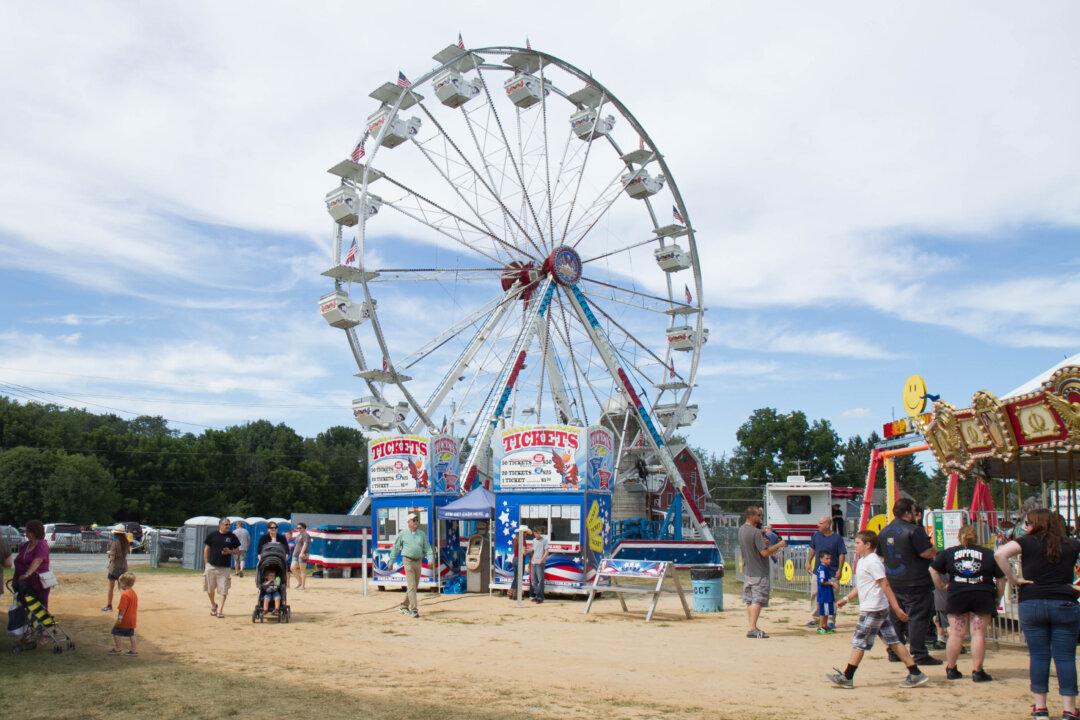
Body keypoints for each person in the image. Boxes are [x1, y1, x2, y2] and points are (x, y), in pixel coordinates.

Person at [996, 509, 1080, 720]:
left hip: (1032, 601)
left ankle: (1040, 707)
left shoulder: (1026, 541)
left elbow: (999, 554)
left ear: (1033, 523)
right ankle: (1070, 709)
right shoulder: (1071, 543)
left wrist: (1014, 579)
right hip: (1064, 600)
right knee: (1065, 657)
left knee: (1039, 656)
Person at [825, 530, 930, 689]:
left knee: (859, 642)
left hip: (873, 609)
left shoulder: (873, 561)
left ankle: (847, 676)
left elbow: (885, 585)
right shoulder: (862, 561)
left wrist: (896, 608)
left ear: (868, 545)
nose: (856, 546)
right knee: (893, 641)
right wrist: (846, 599)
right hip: (874, 608)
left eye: (858, 543)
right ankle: (915, 673)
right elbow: (862, 586)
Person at [929, 523, 1004, 682]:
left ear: (959, 536)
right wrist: (998, 595)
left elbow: (932, 569)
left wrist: (941, 586)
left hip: (958, 594)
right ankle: (977, 671)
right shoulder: (988, 553)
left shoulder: (949, 553)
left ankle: (951, 668)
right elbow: (1002, 578)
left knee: (956, 634)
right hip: (982, 593)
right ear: (976, 537)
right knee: (978, 634)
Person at [879, 498, 941, 665]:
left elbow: (881, 555)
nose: (915, 514)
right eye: (914, 511)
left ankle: (895, 652)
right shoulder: (914, 530)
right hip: (915, 581)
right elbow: (926, 552)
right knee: (917, 618)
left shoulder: (884, 531)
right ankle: (919, 654)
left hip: (893, 581)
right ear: (907, 513)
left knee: (896, 618)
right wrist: (936, 550)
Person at [739, 506, 786, 638]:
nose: (760, 518)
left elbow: (753, 546)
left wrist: (762, 542)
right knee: (757, 600)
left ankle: (751, 626)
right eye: (758, 515)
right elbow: (764, 553)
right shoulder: (756, 532)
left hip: (748, 571)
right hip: (759, 572)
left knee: (749, 600)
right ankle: (753, 628)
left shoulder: (742, 529)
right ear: (751, 516)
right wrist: (779, 545)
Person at [388, 512, 433, 618]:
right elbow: (395, 548)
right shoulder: (403, 534)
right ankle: (414, 610)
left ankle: (404, 605)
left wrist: (430, 559)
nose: (416, 522)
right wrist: (391, 561)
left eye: (417, 520)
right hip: (407, 561)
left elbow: (427, 548)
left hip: (418, 561)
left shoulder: (422, 534)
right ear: (408, 522)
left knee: (414, 587)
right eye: (413, 520)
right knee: (412, 586)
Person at [806, 515, 846, 629]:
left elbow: (842, 553)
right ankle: (816, 618)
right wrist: (808, 561)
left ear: (828, 524)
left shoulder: (837, 538)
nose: (818, 525)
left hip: (832, 572)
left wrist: (840, 569)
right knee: (815, 594)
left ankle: (830, 620)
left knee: (831, 596)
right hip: (817, 571)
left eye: (821, 523)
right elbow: (812, 549)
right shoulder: (816, 535)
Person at [203, 517, 240, 619]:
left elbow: (237, 551)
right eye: (226, 524)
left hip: (224, 568)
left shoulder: (232, 536)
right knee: (210, 590)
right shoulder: (212, 535)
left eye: (229, 524)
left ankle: (220, 610)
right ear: (220, 525)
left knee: (223, 590)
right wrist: (206, 563)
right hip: (211, 566)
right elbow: (206, 549)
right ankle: (214, 605)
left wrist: (230, 552)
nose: (228, 526)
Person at [13, 520, 52, 610]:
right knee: (23, 606)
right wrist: (16, 579)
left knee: (38, 607)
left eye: (27, 531)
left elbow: (38, 560)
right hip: (23, 583)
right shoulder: (25, 545)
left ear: (34, 532)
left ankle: (40, 624)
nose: (25, 533)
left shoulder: (42, 544)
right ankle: (24, 623)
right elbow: (18, 561)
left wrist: (27, 574)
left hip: (38, 583)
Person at [109, 572, 138, 656]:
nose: (119, 584)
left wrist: (119, 618)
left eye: (120, 582)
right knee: (131, 634)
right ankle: (134, 650)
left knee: (115, 632)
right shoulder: (133, 593)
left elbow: (122, 609)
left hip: (125, 619)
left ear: (125, 583)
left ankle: (118, 648)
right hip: (132, 618)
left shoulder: (124, 595)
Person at [102, 523, 130, 612]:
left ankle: (109, 606)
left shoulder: (114, 543)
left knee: (111, 588)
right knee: (124, 588)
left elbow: (112, 557)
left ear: (116, 533)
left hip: (114, 568)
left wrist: (109, 553)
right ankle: (126, 606)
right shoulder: (126, 542)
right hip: (124, 567)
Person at [815, 550, 838, 634]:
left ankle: (825, 626)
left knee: (827, 611)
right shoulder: (822, 569)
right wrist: (832, 583)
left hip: (827, 594)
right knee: (823, 612)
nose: (829, 560)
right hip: (824, 594)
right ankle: (821, 627)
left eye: (829, 558)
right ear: (821, 559)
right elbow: (821, 581)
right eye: (826, 558)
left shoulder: (825, 567)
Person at [508, 526, 532, 601]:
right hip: (520, 559)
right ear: (523, 533)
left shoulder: (515, 539)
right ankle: (517, 595)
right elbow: (524, 552)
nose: (526, 534)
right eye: (525, 533)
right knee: (519, 577)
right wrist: (530, 550)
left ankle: (511, 592)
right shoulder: (522, 540)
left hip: (514, 559)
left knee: (515, 577)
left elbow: (517, 550)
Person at [530, 524, 549, 604]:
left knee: (540, 580)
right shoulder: (534, 540)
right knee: (534, 581)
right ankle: (537, 595)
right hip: (534, 563)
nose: (536, 535)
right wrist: (531, 559)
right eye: (535, 533)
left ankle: (540, 597)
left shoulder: (544, 540)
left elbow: (547, 552)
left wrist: (541, 560)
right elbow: (533, 550)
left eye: (537, 533)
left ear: (540, 533)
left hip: (540, 563)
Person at [291, 522, 311, 590]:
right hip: (295, 554)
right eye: (297, 528)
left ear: (304, 528)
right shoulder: (298, 535)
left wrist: (302, 553)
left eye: (300, 528)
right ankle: (300, 582)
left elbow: (305, 544)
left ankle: (303, 586)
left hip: (302, 554)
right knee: (292, 568)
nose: (298, 529)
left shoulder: (305, 534)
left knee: (302, 570)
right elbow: (297, 545)